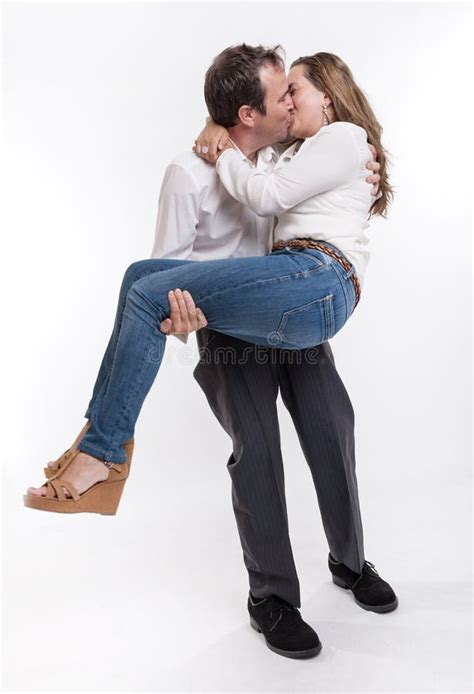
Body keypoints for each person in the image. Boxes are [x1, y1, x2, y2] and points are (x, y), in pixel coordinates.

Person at [24, 46, 397, 658]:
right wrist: (182, 321)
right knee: (257, 452)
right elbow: (168, 272)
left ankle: (351, 562)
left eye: (292, 92)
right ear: (251, 112)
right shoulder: (190, 171)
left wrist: (232, 137)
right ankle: (272, 598)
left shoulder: (285, 157)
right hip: (226, 329)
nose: (288, 103)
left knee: (333, 432)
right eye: (280, 96)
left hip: (288, 300)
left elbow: (302, 186)